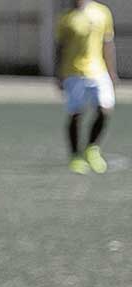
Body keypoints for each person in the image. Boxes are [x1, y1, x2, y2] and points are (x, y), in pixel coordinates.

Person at [56, 0, 118, 174]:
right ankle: (75, 156)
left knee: (105, 108)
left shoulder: (102, 12)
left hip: (99, 71)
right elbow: (59, 49)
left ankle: (92, 148)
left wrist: (112, 72)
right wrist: (58, 74)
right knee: (76, 114)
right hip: (73, 72)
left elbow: (108, 43)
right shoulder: (66, 18)